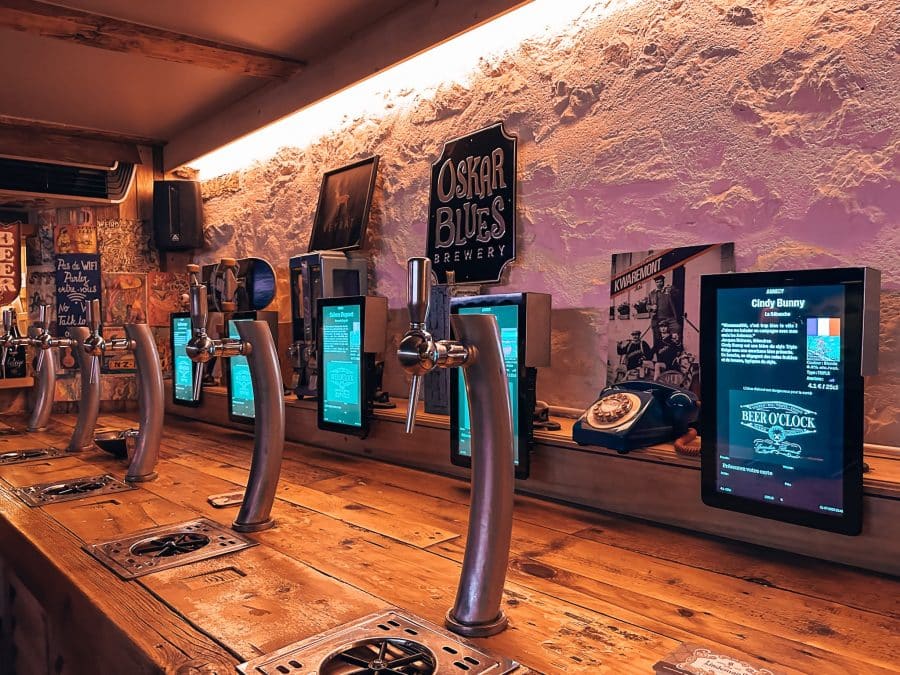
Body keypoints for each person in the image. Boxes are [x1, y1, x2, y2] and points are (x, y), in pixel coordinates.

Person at [647, 274, 682, 351]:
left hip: (669, 318)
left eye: (660, 282)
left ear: (663, 282)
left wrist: (671, 289)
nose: (659, 283)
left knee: (676, 330)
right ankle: (659, 355)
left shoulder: (668, 290)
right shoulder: (652, 293)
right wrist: (651, 307)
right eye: (657, 282)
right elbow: (647, 306)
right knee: (657, 338)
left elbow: (677, 293)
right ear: (655, 283)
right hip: (657, 319)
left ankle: (675, 352)